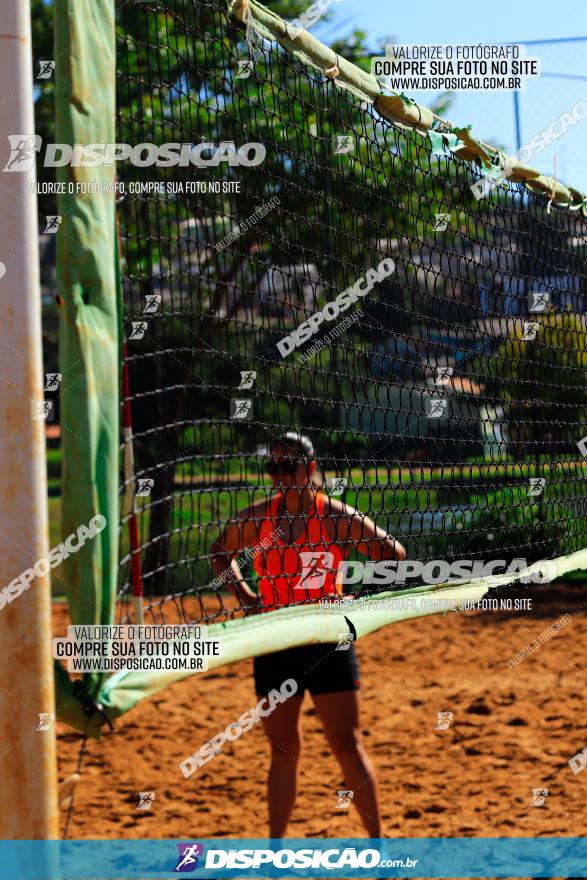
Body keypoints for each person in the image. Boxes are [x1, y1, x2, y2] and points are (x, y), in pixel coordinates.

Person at [210, 431, 406, 838]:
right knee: (284, 753)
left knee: (348, 748)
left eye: (289, 466)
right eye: (273, 467)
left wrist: (359, 592)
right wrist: (245, 596)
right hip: (276, 639)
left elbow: (395, 554)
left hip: (328, 639)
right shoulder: (257, 518)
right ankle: (276, 850)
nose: (280, 474)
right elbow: (218, 553)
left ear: (311, 468)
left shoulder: (334, 516)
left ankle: (378, 847)